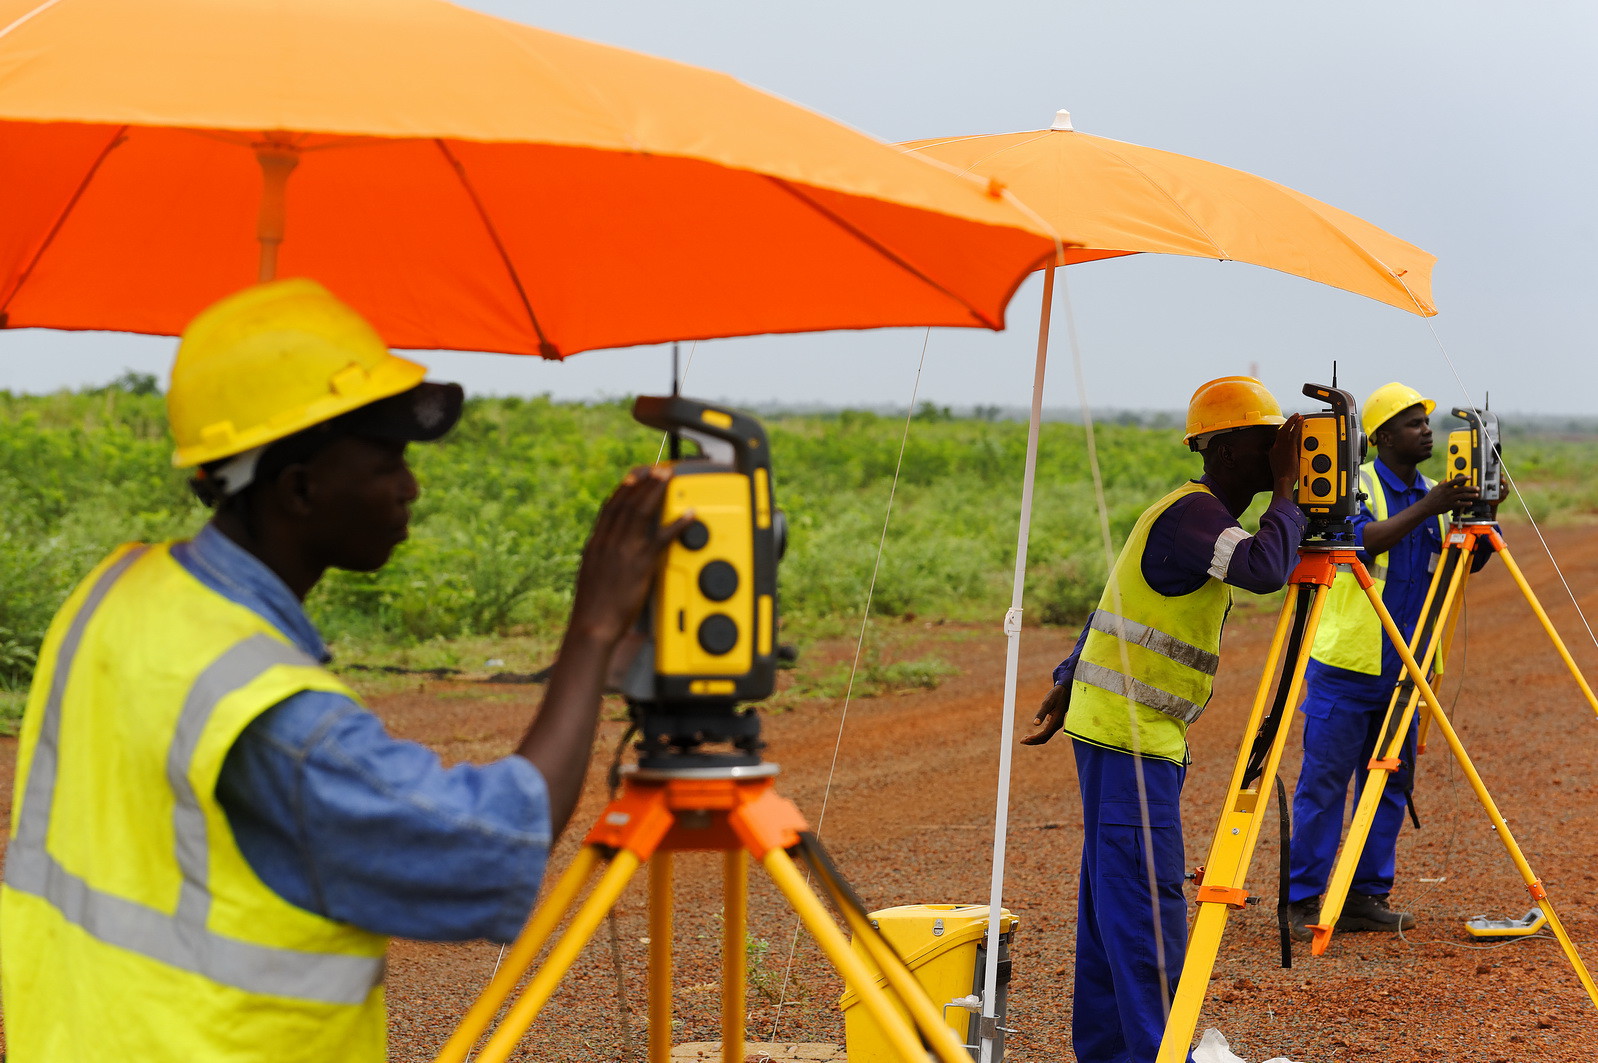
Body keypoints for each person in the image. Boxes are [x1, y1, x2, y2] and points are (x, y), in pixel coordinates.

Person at [0, 279, 684, 1063]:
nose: (410, 487)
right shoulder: (269, 712)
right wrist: (594, 626)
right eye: (387, 459)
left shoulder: (119, 592)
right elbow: (491, 845)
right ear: (299, 487)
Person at [1022, 376, 1305, 1063]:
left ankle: (1111, 1052)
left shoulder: (1192, 513)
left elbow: (1113, 602)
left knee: (1111, 912)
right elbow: (1266, 568)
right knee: (1145, 910)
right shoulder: (1194, 516)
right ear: (1224, 447)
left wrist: (1067, 676)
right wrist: (1293, 492)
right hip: (1128, 737)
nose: (1275, 453)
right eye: (1265, 441)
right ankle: (1156, 1052)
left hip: (1121, 731)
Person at [1281, 382, 1494, 942]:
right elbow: (1362, 542)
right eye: (1411, 422)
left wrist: (1479, 536)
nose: (1425, 430)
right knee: (1323, 787)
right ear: (1379, 437)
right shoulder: (1361, 489)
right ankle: (1301, 902)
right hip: (1348, 669)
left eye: (1425, 421)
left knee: (1390, 786)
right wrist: (1432, 506)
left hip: (1406, 671)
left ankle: (1364, 896)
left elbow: (1448, 573)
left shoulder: (1434, 494)